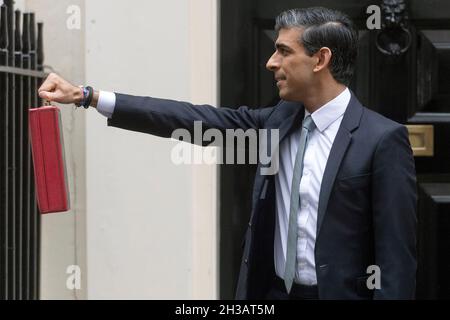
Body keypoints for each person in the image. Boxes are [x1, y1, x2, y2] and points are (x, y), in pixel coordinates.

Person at [38, 7, 417, 300]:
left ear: (320, 60)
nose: (271, 62)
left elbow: (396, 261)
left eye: (284, 51)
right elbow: (190, 119)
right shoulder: (275, 123)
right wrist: (89, 97)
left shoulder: (381, 140)